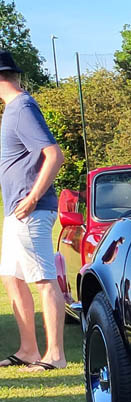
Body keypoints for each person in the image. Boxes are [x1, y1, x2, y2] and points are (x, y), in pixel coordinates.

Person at [0, 50, 67, 371]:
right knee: (11, 278)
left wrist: (32, 198)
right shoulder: (13, 110)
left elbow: (54, 155)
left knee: (42, 278)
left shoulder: (23, 108)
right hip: (16, 210)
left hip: (31, 209)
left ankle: (55, 355)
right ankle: (28, 349)